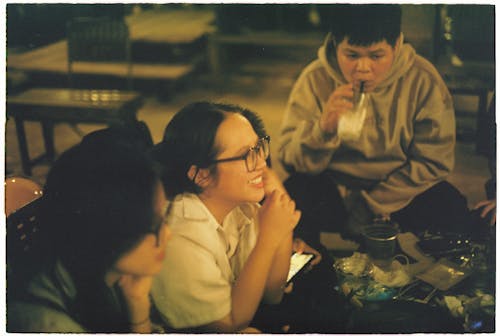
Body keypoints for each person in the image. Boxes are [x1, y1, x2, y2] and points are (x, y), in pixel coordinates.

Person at [278, 4, 472, 246]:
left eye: (376, 56)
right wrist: (322, 130)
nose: (363, 68)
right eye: (351, 55)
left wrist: (373, 204)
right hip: (335, 190)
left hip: (399, 189)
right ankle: (313, 269)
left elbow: (434, 161)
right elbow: (289, 159)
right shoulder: (314, 79)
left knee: (451, 206)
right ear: (335, 44)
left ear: (397, 45)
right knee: (291, 195)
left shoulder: (422, 79)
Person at [151, 102, 301, 333]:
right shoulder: (181, 233)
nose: (261, 163)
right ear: (201, 175)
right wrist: (268, 239)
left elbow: (272, 294)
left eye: (259, 147)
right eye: (245, 155)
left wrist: (279, 208)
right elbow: (228, 324)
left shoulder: (239, 208)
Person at [7, 129, 172, 333]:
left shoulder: (102, 272)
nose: (168, 234)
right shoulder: (50, 325)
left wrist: (137, 307)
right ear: (108, 232)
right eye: (154, 224)